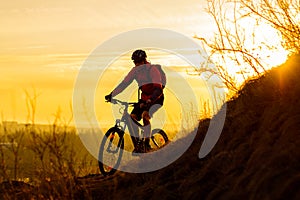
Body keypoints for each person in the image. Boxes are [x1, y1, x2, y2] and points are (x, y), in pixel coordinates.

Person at [105, 49, 165, 153]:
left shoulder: (152, 69)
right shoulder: (135, 71)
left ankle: (146, 144)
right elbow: (124, 84)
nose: (137, 64)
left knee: (145, 115)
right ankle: (138, 145)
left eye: (139, 62)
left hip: (156, 98)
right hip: (144, 99)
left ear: (144, 60)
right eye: (135, 62)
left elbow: (158, 89)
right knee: (131, 118)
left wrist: (150, 100)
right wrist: (112, 94)